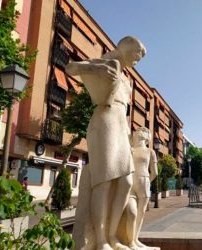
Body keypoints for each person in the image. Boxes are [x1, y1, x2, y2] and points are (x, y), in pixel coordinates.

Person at [66, 36, 146, 250]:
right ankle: (100, 239)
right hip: (105, 121)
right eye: (138, 54)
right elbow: (71, 68)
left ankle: (112, 237)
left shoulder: (126, 78)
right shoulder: (105, 62)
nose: (138, 59)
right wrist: (96, 70)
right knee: (104, 181)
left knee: (126, 182)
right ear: (128, 48)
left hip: (121, 126)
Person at [123, 127, 158, 249]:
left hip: (144, 182)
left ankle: (135, 239)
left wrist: (147, 181)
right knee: (132, 212)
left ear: (147, 136)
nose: (138, 132)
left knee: (141, 213)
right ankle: (130, 241)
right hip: (130, 184)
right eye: (138, 130)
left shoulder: (150, 152)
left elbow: (155, 173)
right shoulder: (130, 149)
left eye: (142, 131)